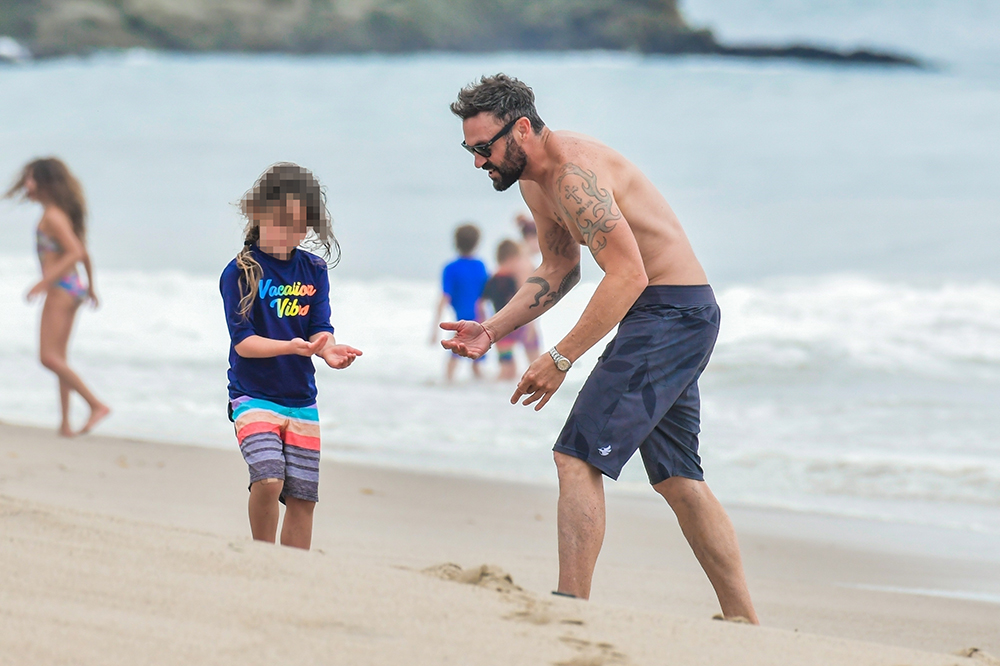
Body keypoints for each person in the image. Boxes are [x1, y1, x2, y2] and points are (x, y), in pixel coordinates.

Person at [442, 73, 759, 623]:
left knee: (576, 455)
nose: (478, 162)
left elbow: (628, 274)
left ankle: (570, 610)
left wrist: (560, 357)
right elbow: (560, 269)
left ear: (521, 129)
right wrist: (493, 329)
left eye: (483, 148)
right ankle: (743, 621)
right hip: (668, 313)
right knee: (678, 478)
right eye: (469, 150)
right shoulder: (532, 183)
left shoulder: (572, 175)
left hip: (669, 311)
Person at [220, 163, 361, 550]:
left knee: (302, 497)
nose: (292, 233)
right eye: (283, 222)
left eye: (301, 225)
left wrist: (328, 350)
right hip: (253, 395)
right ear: (259, 213)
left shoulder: (313, 269)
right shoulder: (240, 272)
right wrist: (291, 347)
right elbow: (243, 342)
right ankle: (262, 556)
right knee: (268, 479)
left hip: (301, 400)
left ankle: (293, 572)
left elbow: (320, 325)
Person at [4, 158, 110, 437]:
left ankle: (95, 404)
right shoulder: (59, 213)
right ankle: (65, 424)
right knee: (60, 359)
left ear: (45, 183)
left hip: (61, 288)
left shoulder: (52, 215)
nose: (27, 184)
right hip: (71, 286)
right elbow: (82, 251)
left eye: (31, 178)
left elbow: (74, 251)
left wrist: (43, 282)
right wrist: (90, 286)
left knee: (48, 358)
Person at [431, 223, 488, 381]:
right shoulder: (480, 266)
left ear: (455, 242)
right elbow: (484, 297)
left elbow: (444, 298)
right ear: (477, 243)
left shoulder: (450, 268)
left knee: (453, 360)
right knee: (477, 361)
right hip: (480, 319)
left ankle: (448, 389)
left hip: (462, 321)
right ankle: (484, 395)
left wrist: (434, 329)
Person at [480, 239, 523, 380]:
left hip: (498, 327)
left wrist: (484, 322)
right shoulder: (511, 280)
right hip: (510, 326)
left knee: (507, 364)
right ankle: (499, 396)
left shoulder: (492, 280)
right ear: (510, 258)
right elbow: (518, 301)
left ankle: (498, 395)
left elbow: (480, 303)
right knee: (508, 367)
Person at [512, 212, 542, 363]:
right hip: (522, 319)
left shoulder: (517, 258)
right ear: (531, 238)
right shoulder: (524, 262)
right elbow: (525, 295)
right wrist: (530, 324)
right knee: (535, 363)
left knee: (509, 368)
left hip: (512, 317)